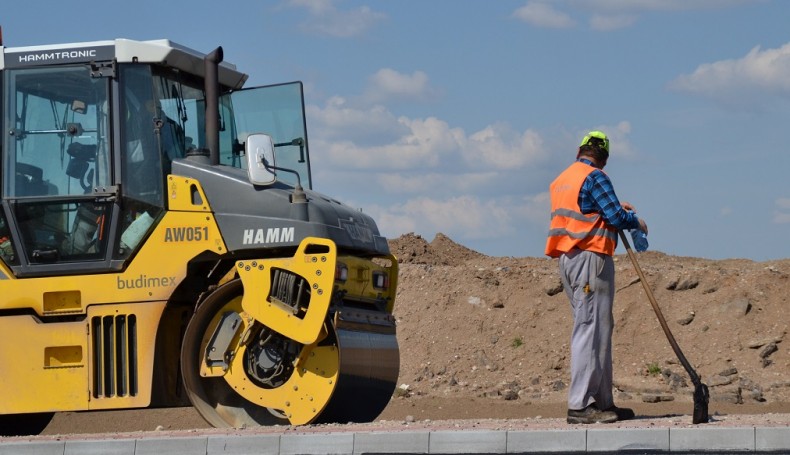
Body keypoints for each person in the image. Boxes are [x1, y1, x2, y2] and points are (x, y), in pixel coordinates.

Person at [545, 130, 648, 424]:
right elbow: (614, 217)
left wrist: (616, 209)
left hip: (569, 258)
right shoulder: (596, 177)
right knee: (590, 328)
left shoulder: (563, 178)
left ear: (580, 151)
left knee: (597, 328)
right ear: (603, 156)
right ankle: (580, 405)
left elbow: (591, 210)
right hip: (591, 257)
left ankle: (603, 403)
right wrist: (635, 221)